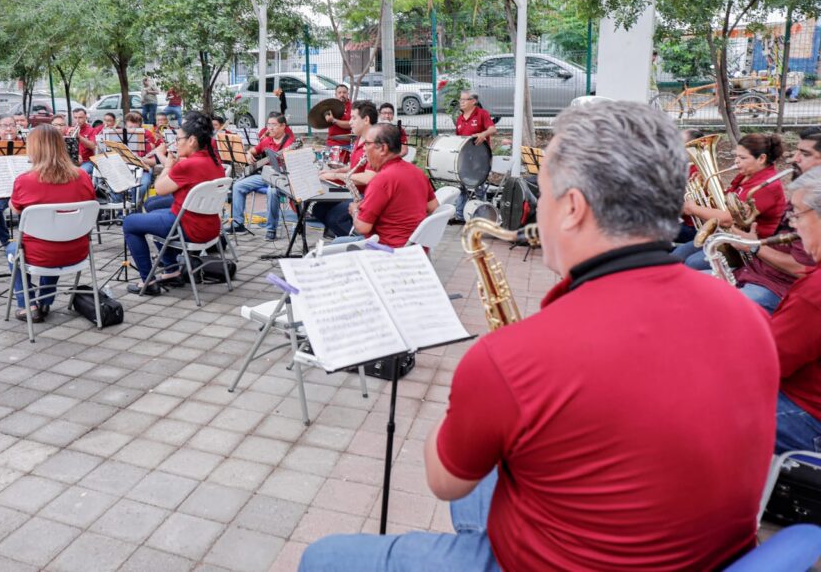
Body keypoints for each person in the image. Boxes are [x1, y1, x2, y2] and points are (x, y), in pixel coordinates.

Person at [299, 101, 779, 572]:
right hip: (700, 553)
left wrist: (469, 407)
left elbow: (442, 482)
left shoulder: (511, 358)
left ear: (572, 208)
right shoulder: (750, 318)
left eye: (541, 195)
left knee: (321, 558)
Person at [123, 112, 224, 296]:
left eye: (178, 139)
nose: (176, 143)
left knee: (130, 222)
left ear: (192, 140)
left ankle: (148, 281)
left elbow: (160, 188)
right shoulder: (214, 160)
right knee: (154, 211)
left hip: (189, 227)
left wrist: (169, 165)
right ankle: (172, 271)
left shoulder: (188, 165)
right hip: (211, 227)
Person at [722, 127, 821, 313]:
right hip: (753, 272)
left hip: (775, 287)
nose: (794, 159)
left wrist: (754, 246)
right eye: (797, 151)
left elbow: (802, 269)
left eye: (805, 154)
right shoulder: (805, 193)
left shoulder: (814, 207)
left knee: (717, 309)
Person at [5, 124, 96, 322]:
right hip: (77, 251)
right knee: (58, 232)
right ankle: (46, 301)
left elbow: (15, 208)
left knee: (14, 249)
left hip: (42, 255)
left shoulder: (25, 180)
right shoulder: (82, 176)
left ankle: (27, 304)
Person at [673, 132, 786, 270]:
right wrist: (704, 187)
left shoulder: (766, 186)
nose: (736, 161)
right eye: (736, 156)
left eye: (742, 157)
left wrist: (693, 208)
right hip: (726, 236)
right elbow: (724, 202)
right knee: (676, 256)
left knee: (691, 263)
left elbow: (728, 219)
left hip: (746, 248)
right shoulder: (745, 176)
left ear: (761, 158)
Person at [772, 167, 821, 453]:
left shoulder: (814, 293)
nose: (793, 226)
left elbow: (769, 364)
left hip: (807, 414)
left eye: (797, 215)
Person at [343, 122, 436, 248]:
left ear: (383, 149)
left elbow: (362, 227)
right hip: (416, 249)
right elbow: (433, 207)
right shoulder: (417, 172)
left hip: (387, 250)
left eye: (367, 143)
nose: (364, 148)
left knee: (330, 247)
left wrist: (354, 210)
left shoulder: (381, 180)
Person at [312, 101, 378, 239]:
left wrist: (335, 175)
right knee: (318, 209)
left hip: (368, 196)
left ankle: (361, 243)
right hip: (354, 191)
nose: (350, 122)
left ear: (366, 120)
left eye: (354, 118)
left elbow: (368, 178)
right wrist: (334, 172)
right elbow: (355, 166)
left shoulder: (374, 143)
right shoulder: (359, 138)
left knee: (334, 218)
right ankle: (342, 237)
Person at [228, 112, 295, 240]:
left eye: (274, 125)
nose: (270, 128)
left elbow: (291, 166)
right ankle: (238, 224)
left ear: (283, 126)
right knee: (238, 185)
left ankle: (271, 229)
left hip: (282, 179)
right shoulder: (266, 140)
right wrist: (248, 154)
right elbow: (252, 150)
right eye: (268, 124)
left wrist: (285, 157)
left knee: (272, 191)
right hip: (265, 175)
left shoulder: (290, 143)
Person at [450, 91, 496, 225]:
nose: (461, 102)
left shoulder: (482, 114)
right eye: (460, 100)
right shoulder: (459, 119)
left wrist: (483, 134)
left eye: (465, 99)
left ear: (473, 101)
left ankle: (482, 217)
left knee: (479, 187)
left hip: (480, 158)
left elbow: (493, 129)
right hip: (464, 157)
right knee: (462, 186)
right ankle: (459, 216)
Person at [675, 128, 705, 243]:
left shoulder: (697, 172)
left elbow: (686, 208)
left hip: (695, 228)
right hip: (686, 222)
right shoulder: (686, 167)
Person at [72, 107, 103, 176]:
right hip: (72, 162)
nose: (77, 120)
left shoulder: (91, 130)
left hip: (87, 162)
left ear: (85, 118)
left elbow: (93, 146)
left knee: (79, 173)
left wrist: (79, 137)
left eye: (80, 117)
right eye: (75, 117)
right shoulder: (70, 130)